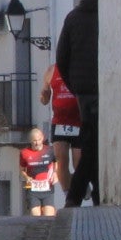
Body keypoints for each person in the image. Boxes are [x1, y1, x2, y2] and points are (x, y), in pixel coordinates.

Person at [57, 0, 101, 206]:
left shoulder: (73, 17)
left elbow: (61, 58)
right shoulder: (110, 13)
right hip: (104, 88)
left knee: (91, 143)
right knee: (94, 145)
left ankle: (83, 196)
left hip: (84, 91)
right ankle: (84, 196)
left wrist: (76, 86)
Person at [45, 63, 84, 197]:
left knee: (78, 162)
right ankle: (68, 193)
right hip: (60, 122)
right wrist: (44, 94)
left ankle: (81, 185)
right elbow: (44, 99)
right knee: (61, 159)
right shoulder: (52, 71)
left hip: (78, 121)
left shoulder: (79, 69)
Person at [19, 126, 60, 216]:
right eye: (34, 141)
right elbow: (22, 169)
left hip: (47, 188)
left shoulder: (50, 150)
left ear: (42, 138)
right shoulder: (24, 153)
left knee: (49, 217)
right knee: (36, 217)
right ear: (30, 140)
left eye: (39, 140)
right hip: (33, 189)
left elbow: (56, 162)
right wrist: (26, 177)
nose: (37, 143)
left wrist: (55, 173)